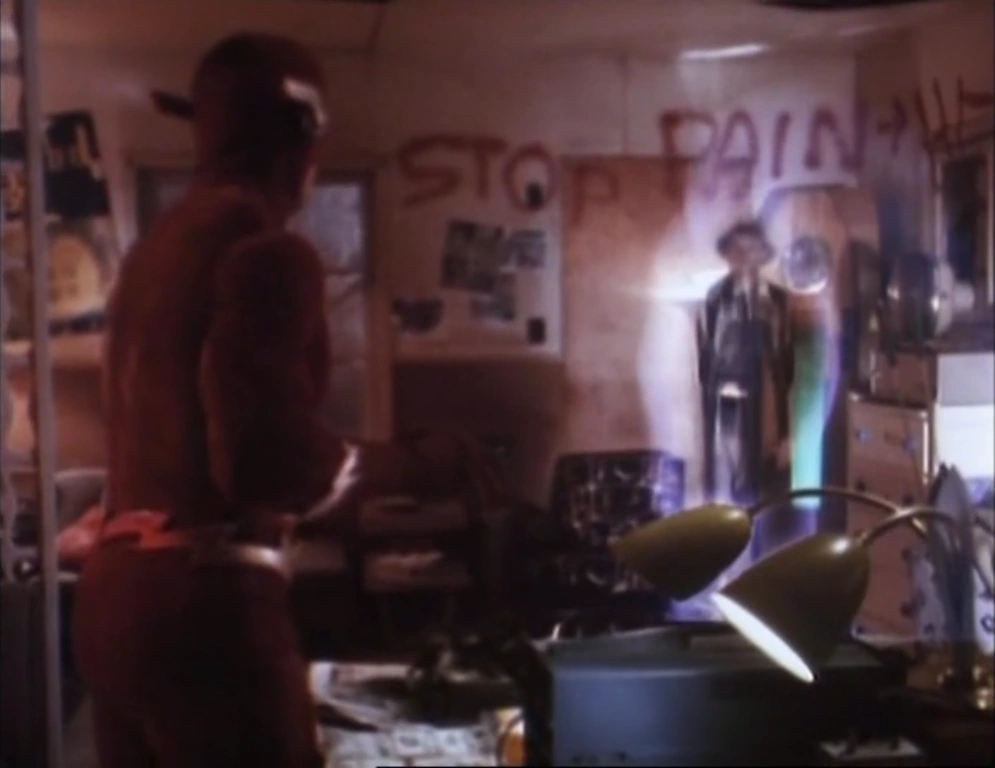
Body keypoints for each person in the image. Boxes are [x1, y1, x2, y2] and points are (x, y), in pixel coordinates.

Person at [73, 33, 499, 768]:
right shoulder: (267, 251)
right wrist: (421, 465)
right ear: (301, 142)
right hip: (205, 610)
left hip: (113, 607)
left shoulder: (151, 256)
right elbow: (269, 465)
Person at [696, 220, 794, 521]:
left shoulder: (777, 299)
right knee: (728, 468)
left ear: (763, 254)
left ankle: (762, 530)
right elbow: (706, 356)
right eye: (737, 249)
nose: (744, 256)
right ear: (727, 255)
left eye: (752, 249)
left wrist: (786, 429)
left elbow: (786, 361)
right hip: (727, 398)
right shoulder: (715, 297)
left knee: (764, 476)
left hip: (766, 397)